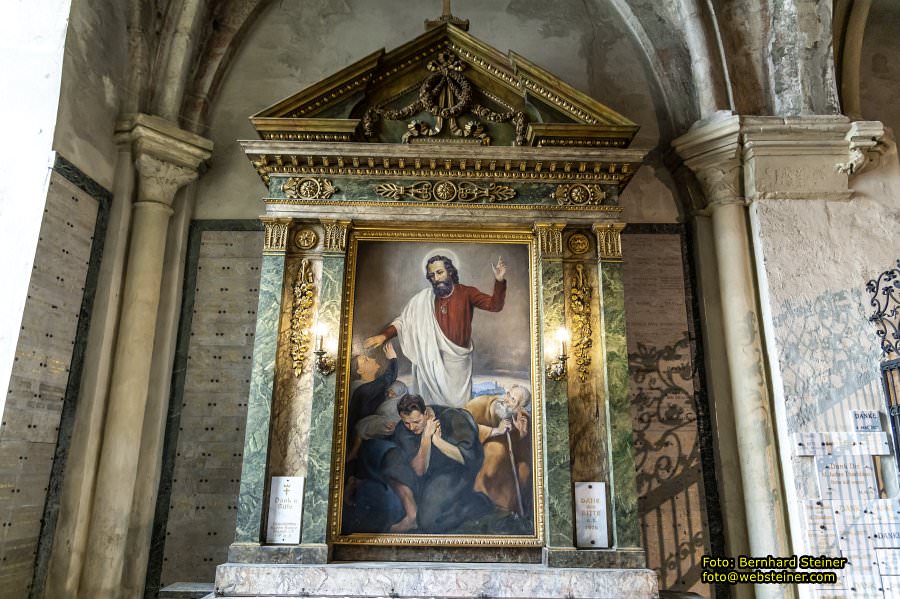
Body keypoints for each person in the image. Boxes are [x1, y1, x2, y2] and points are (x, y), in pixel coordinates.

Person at [364, 254, 506, 408]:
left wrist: (499, 280)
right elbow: (403, 321)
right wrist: (384, 335)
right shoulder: (424, 299)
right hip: (431, 361)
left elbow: (495, 305)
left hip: (458, 363)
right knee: (433, 408)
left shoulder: (467, 292)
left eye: (440, 272)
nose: (436, 278)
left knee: (459, 406)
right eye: (432, 275)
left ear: (450, 272)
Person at [381, 394, 492, 533]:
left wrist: (438, 442)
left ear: (426, 413)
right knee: (391, 458)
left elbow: (468, 458)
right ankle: (412, 515)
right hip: (427, 472)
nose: (412, 427)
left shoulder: (452, 417)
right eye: (407, 422)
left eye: (416, 421)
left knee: (428, 523)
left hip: (454, 471)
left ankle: (476, 502)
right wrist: (426, 438)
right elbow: (419, 470)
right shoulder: (404, 429)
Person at [464, 385, 532, 516]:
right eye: (508, 395)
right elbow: (462, 425)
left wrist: (521, 435)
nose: (506, 400)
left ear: (520, 408)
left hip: (507, 462)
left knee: (524, 470)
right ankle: (484, 502)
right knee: (496, 451)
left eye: (513, 401)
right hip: (476, 449)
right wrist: (495, 431)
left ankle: (510, 509)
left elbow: (523, 451)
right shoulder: (480, 404)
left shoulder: (521, 418)